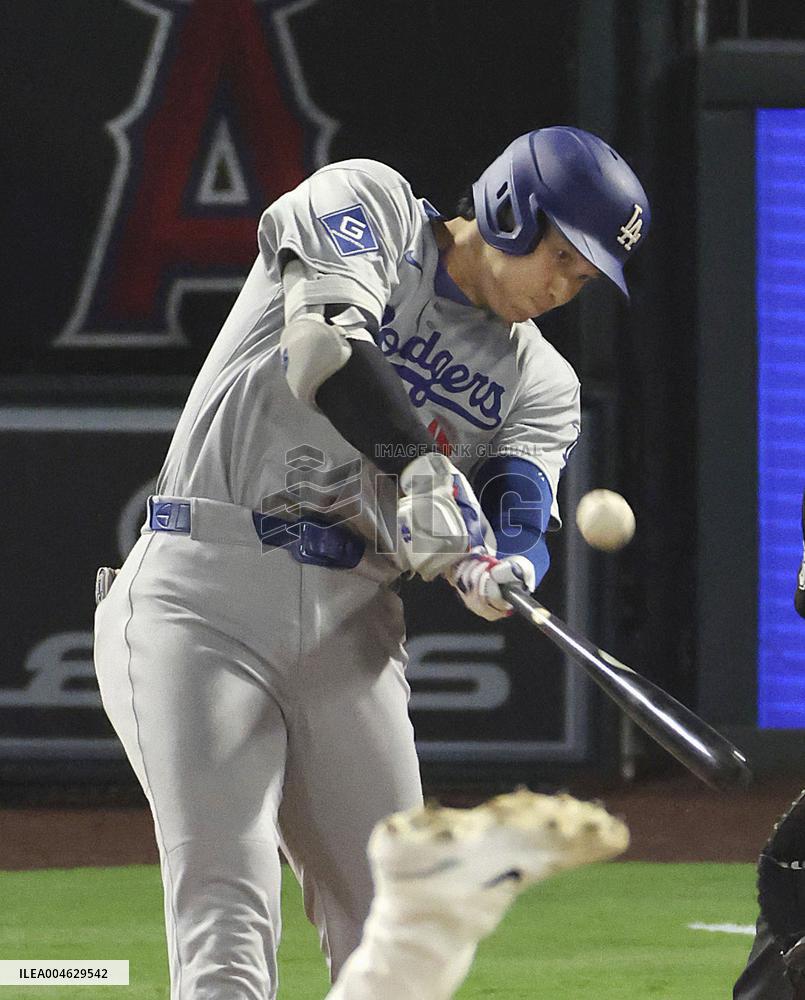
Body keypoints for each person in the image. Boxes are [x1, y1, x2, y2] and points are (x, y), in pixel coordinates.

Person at [93, 125, 650, 999]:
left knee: (398, 919)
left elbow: (518, 504)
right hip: (207, 582)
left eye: (584, 278)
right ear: (509, 208)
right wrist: (423, 472)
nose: (563, 287)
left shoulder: (542, 381)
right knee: (228, 902)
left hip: (354, 621)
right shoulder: (374, 206)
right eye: (561, 256)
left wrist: (504, 565)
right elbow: (322, 350)